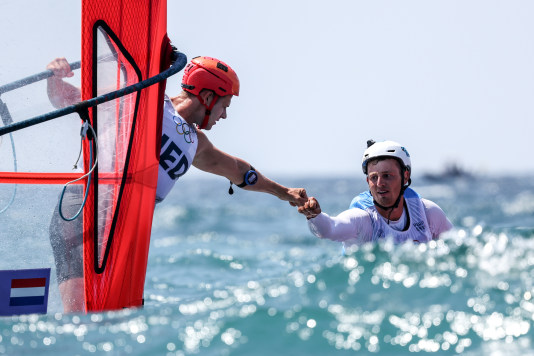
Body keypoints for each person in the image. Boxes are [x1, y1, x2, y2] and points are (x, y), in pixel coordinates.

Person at [46, 56, 308, 312]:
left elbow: (239, 171)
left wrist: (283, 192)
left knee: (109, 316)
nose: (225, 116)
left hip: (124, 226)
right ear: (207, 98)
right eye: (224, 105)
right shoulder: (141, 97)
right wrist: (54, 74)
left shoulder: (196, 143)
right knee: (81, 313)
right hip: (86, 207)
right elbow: (67, 98)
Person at [298, 140, 452, 245]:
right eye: (373, 177)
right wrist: (314, 216)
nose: (379, 184)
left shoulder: (428, 213)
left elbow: (459, 248)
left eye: (387, 176)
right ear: (367, 182)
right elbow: (330, 229)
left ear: (405, 176)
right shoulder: (362, 219)